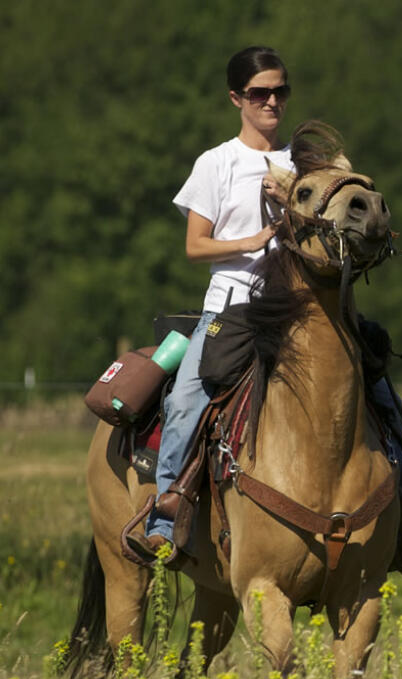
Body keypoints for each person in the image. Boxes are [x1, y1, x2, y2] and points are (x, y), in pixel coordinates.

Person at [126, 46, 294, 564]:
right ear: (236, 98)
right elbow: (195, 246)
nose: (270, 101)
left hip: (295, 308)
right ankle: (163, 521)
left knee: (374, 380)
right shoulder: (216, 163)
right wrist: (255, 238)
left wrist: (292, 202)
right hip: (233, 307)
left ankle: (401, 512)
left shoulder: (302, 162)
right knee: (184, 400)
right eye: (259, 93)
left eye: (279, 91)